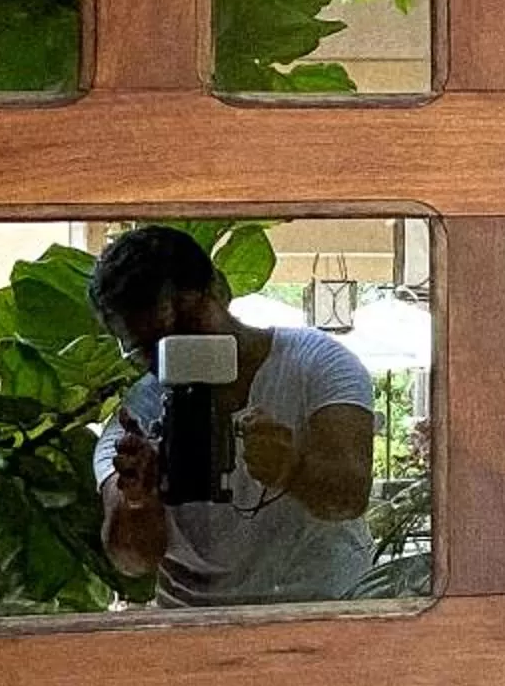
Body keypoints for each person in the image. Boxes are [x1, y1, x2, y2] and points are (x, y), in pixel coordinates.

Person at [88, 225, 377, 605]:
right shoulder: (136, 418)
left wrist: (292, 468)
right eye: (150, 349)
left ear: (219, 290)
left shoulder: (317, 362)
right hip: (198, 628)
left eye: (188, 327)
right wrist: (138, 500)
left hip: (323, 615)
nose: (179, 352)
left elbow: (349, 494)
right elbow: (132, 561)